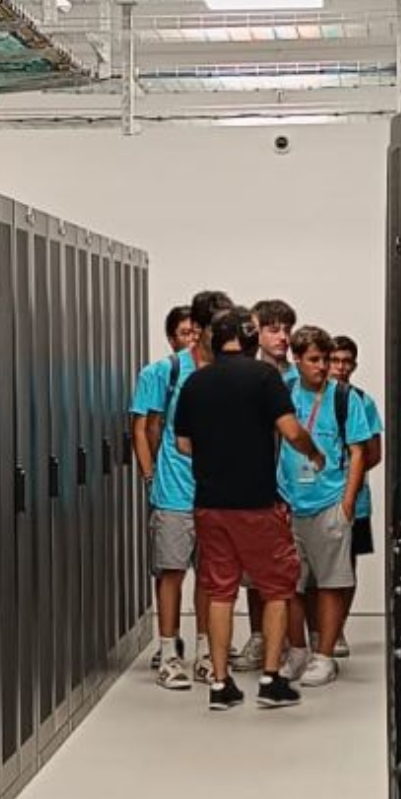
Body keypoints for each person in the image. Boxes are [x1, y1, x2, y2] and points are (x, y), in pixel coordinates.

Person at [175, 307, 323, 711]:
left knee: (220, 591)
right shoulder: (264, 377)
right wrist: (315, 451)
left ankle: (221, 685)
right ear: (248, 337)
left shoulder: (195, 383)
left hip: (209, 505)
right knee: (276, 589)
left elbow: (183, 445)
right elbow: (291, 431)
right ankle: (271, 680)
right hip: (257, 505)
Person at [130, 289, 235, 689]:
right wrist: (149, 475)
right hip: (175, 490)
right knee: (171, 572)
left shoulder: (228, 372)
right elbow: (146, 425)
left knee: (212, 577)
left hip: (218, 492)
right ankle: (170, 654)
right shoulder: (163, 372)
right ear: (204, 329)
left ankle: (207, 653)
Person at [278, 325, 376, 686]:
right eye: (314, 360)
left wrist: (347, 504)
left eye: (325, 359)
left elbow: (358, 451)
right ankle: (298, 650)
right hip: (289, 503)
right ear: (297, 360)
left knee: (332, 582)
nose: (322, 367)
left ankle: (324, 656)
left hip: (329, 502)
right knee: (290, 584)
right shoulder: (285, 392)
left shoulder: (345, 398)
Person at [232, 297, 302, 672]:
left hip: (295, 486)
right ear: (255, 333)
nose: (284, 337)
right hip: (256, 485)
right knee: (255, 569)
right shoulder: (246, 376)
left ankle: (295, 642)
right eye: (274, 329)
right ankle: (259, 637)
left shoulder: (299, 378)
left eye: (288, 329)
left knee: (292, 570)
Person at [328, 335, 383, 658]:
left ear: (355, 365)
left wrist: (349, 477)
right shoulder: (308, 399)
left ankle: (338, 630)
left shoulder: (363, 401)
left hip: (355, 499)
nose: (340, 367)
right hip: (314, 499)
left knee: (346, 566)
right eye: (334, 360)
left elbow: (373, 453)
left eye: (346, 362)